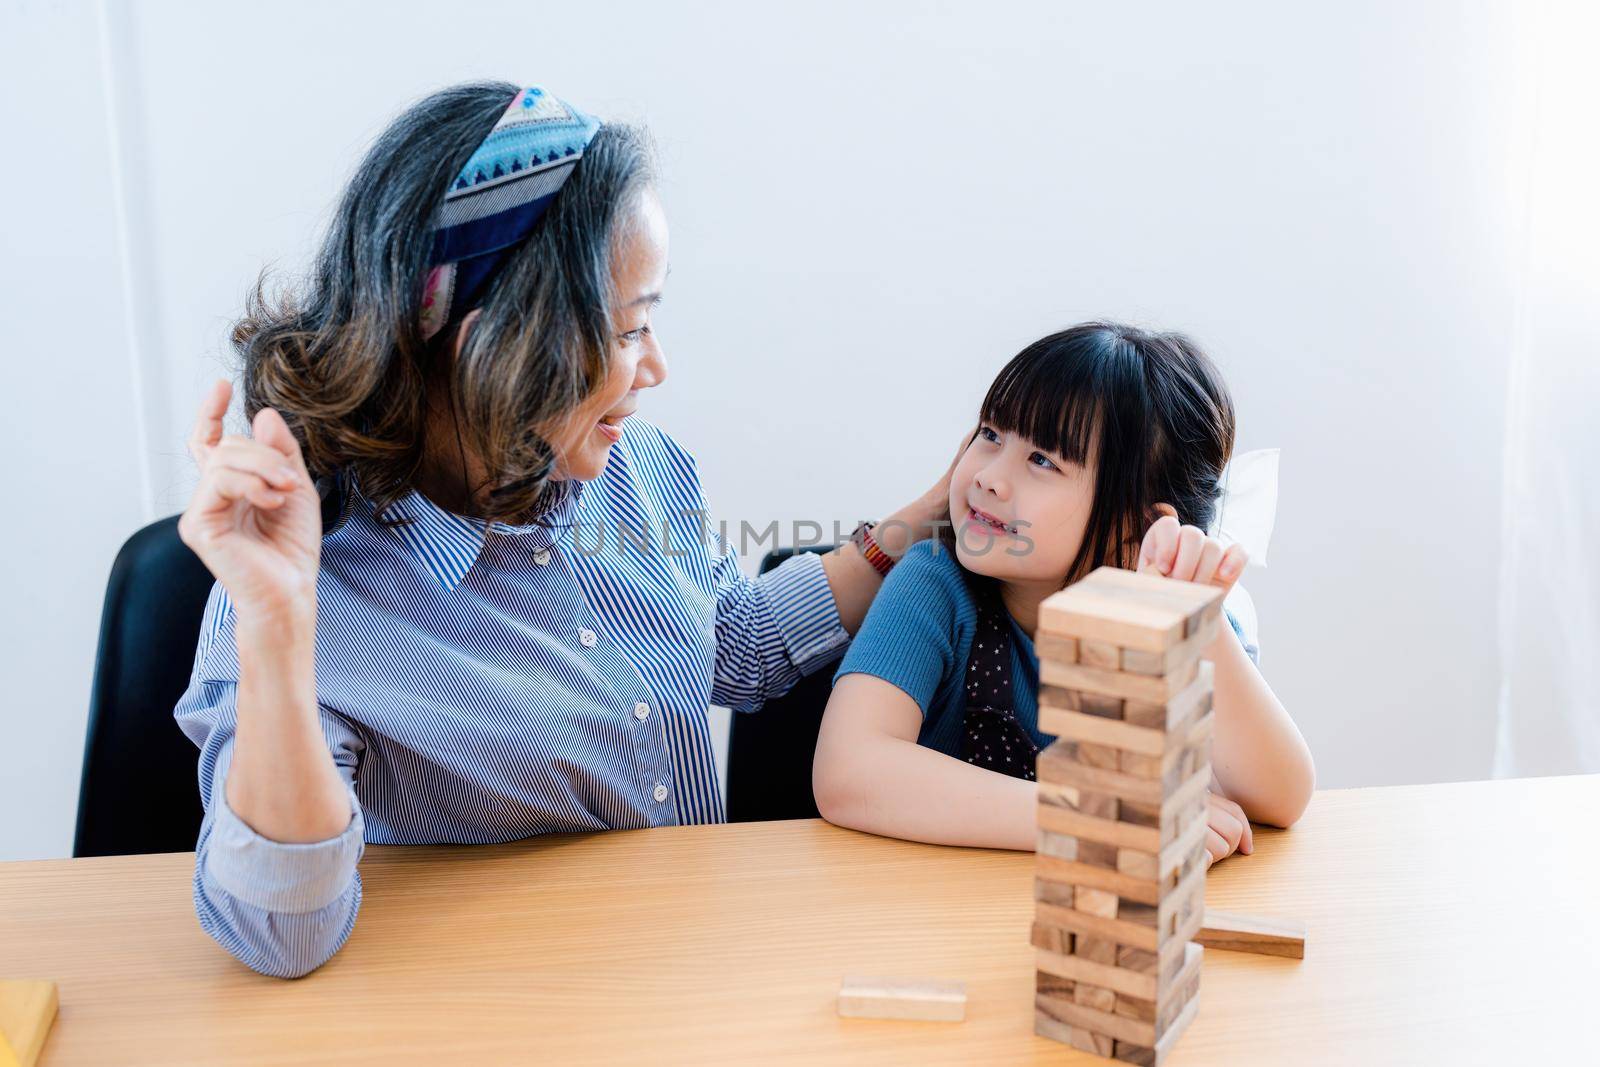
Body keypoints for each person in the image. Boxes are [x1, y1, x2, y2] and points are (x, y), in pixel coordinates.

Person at [173, 81, 952, 978]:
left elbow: (728, 641)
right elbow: (283, 936)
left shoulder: (637, 469)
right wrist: (276, 629)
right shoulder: (314, 591)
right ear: (495, 347)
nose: (656, 365)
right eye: (630, 329)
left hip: (680, 976)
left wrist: (934, 510)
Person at [812, 322, 1315, 860]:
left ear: (1139, 527)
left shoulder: (1178, 621)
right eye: (991, 435)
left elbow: (1279, 800)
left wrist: (1202, 627)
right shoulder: (935, 584)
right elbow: (849, 772)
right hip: (936, 918)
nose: (988, 477)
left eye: (1042, 461)